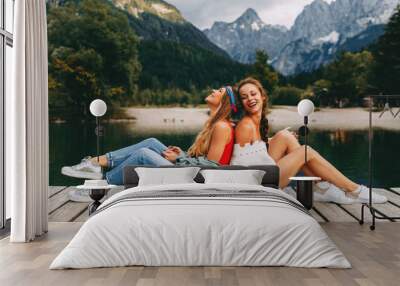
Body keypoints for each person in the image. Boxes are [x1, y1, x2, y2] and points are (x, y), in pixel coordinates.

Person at [231, 77, 387, 204]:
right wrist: (293, 156)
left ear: (262, 96)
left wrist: (276, 139)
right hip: (257, 185)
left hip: (259, 175)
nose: (250, 99)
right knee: (305, 152)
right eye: (244, 97)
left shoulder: (254, 121)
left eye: (253, 94)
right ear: (241, 103)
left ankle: (322, 188)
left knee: (285, 137)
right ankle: (354, 190)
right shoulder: (246, 124)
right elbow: (253, 162)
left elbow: (253, 150)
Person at [61, 86, 239, 185]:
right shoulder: (215, 125)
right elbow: (203, 160)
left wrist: (178, 160)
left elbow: (212, 167)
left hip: (195, 179)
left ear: (224, 103)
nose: (215, 90)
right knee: (152, 142)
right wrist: (182, 155)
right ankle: (94, 163)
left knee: (144, 154)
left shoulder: (222, 127)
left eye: (220, 91)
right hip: (190, 169)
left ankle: (103, 182)